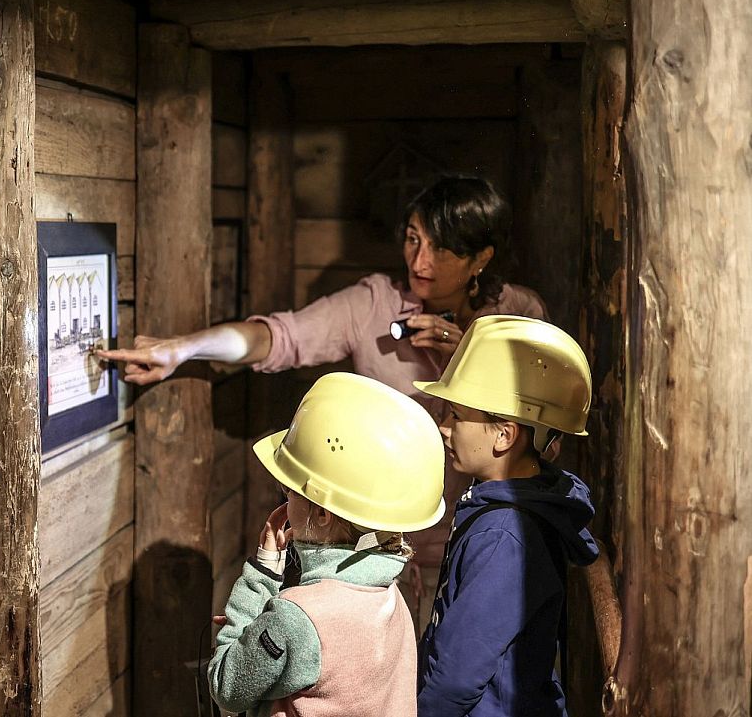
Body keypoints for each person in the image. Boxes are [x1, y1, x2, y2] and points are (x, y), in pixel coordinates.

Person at [98, 175, 547, 625]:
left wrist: (467, 353)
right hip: (380, 557)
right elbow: (278, 336)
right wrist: (182, 349)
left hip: (484, 546)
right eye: (413, 239)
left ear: (480, 258)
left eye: (442, 248)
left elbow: (542, 437)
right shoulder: (374, 305)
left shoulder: (519, 315)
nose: (420, 259)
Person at [208, 372, 445, 716]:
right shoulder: (390, 598)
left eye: (291, 490)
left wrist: (261, 576)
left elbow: (227, 687)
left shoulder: (294, 618)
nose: (286, 497)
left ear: (321, 512)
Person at [413, 315, 599, 716]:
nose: (445, 428)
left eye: (457, 416)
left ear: (505, 435)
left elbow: (456, 678)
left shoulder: (503, 536)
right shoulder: (511, 510)